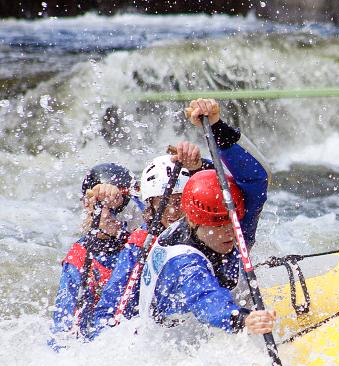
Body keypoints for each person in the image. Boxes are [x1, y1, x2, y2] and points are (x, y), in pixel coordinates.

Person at [137, 98, 276, 335]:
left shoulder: (234, 217)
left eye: (229, 222)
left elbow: (257, 179)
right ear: (192, 221)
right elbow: (206, 300)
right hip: (171, 347)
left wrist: (217, 127)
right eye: (217, 225)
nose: (229, 232)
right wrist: (243, 320)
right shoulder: (181, 258)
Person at [91, 145, 197, 333]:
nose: (173, 210)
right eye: (166, 202)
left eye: (180, 200)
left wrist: (200, 164)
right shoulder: (138, 244)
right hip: (157, 331)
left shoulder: (209, 233)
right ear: (151, 205)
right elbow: (107, 310)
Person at [49, 163, 135, 346]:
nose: (107, 214)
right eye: (100, 206)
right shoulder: (80, 257)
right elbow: (62, 327)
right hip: (99, 344)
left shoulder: (139, 244)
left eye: (115, 207)